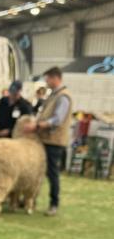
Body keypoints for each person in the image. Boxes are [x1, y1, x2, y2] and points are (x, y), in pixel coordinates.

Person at [35, 67, 72, 217]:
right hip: (45, 139)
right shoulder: (54, 95)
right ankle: (31, 199)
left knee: (52, 173)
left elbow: (57, 120)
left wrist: (37, 125)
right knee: (37, 172)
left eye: (47, 79)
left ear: (55, 78)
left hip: (54, 141)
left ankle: (54, 204)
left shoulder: (63, 97)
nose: (46, 82)